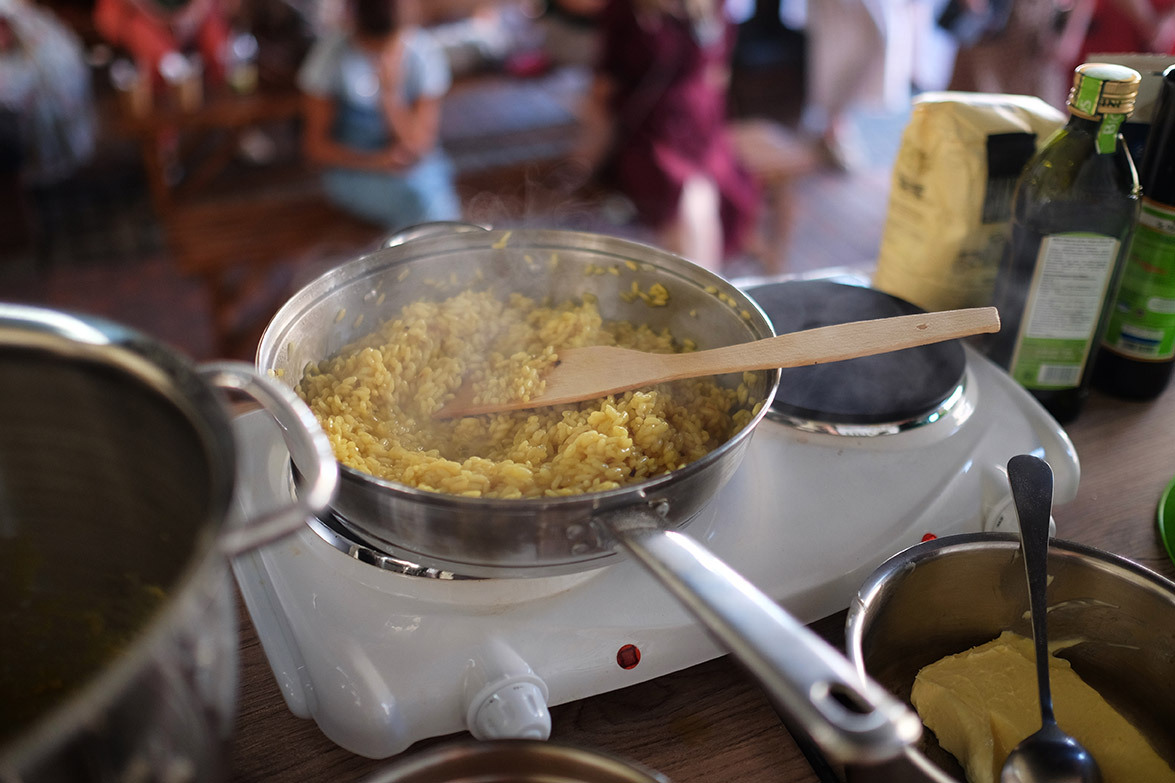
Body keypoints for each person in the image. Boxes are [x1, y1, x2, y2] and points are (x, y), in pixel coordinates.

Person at [574, 0, 759, 272]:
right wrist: (587, 153)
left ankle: (701, 282)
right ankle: (701, 283)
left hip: (702, 128)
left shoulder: (713, 5)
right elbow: (603, 87)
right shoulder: (626, 10)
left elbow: (718, 71)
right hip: (651, 132)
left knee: (714, 196)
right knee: (689, 196)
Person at [296, 0, 461, 232]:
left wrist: (390, 96)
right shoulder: (330, 57)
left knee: (434, 205)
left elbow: (418, 147)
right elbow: (315, 149)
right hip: (354, 170)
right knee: (421, 208)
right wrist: (376, 162)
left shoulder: (423, 52)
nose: (380, 55)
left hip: (418, 170)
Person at [93, 0, 235, 86]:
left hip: (195, 14)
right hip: (142, 17)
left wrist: (192, 15)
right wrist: (164, 20)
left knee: (219, 50)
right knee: (163, 60)